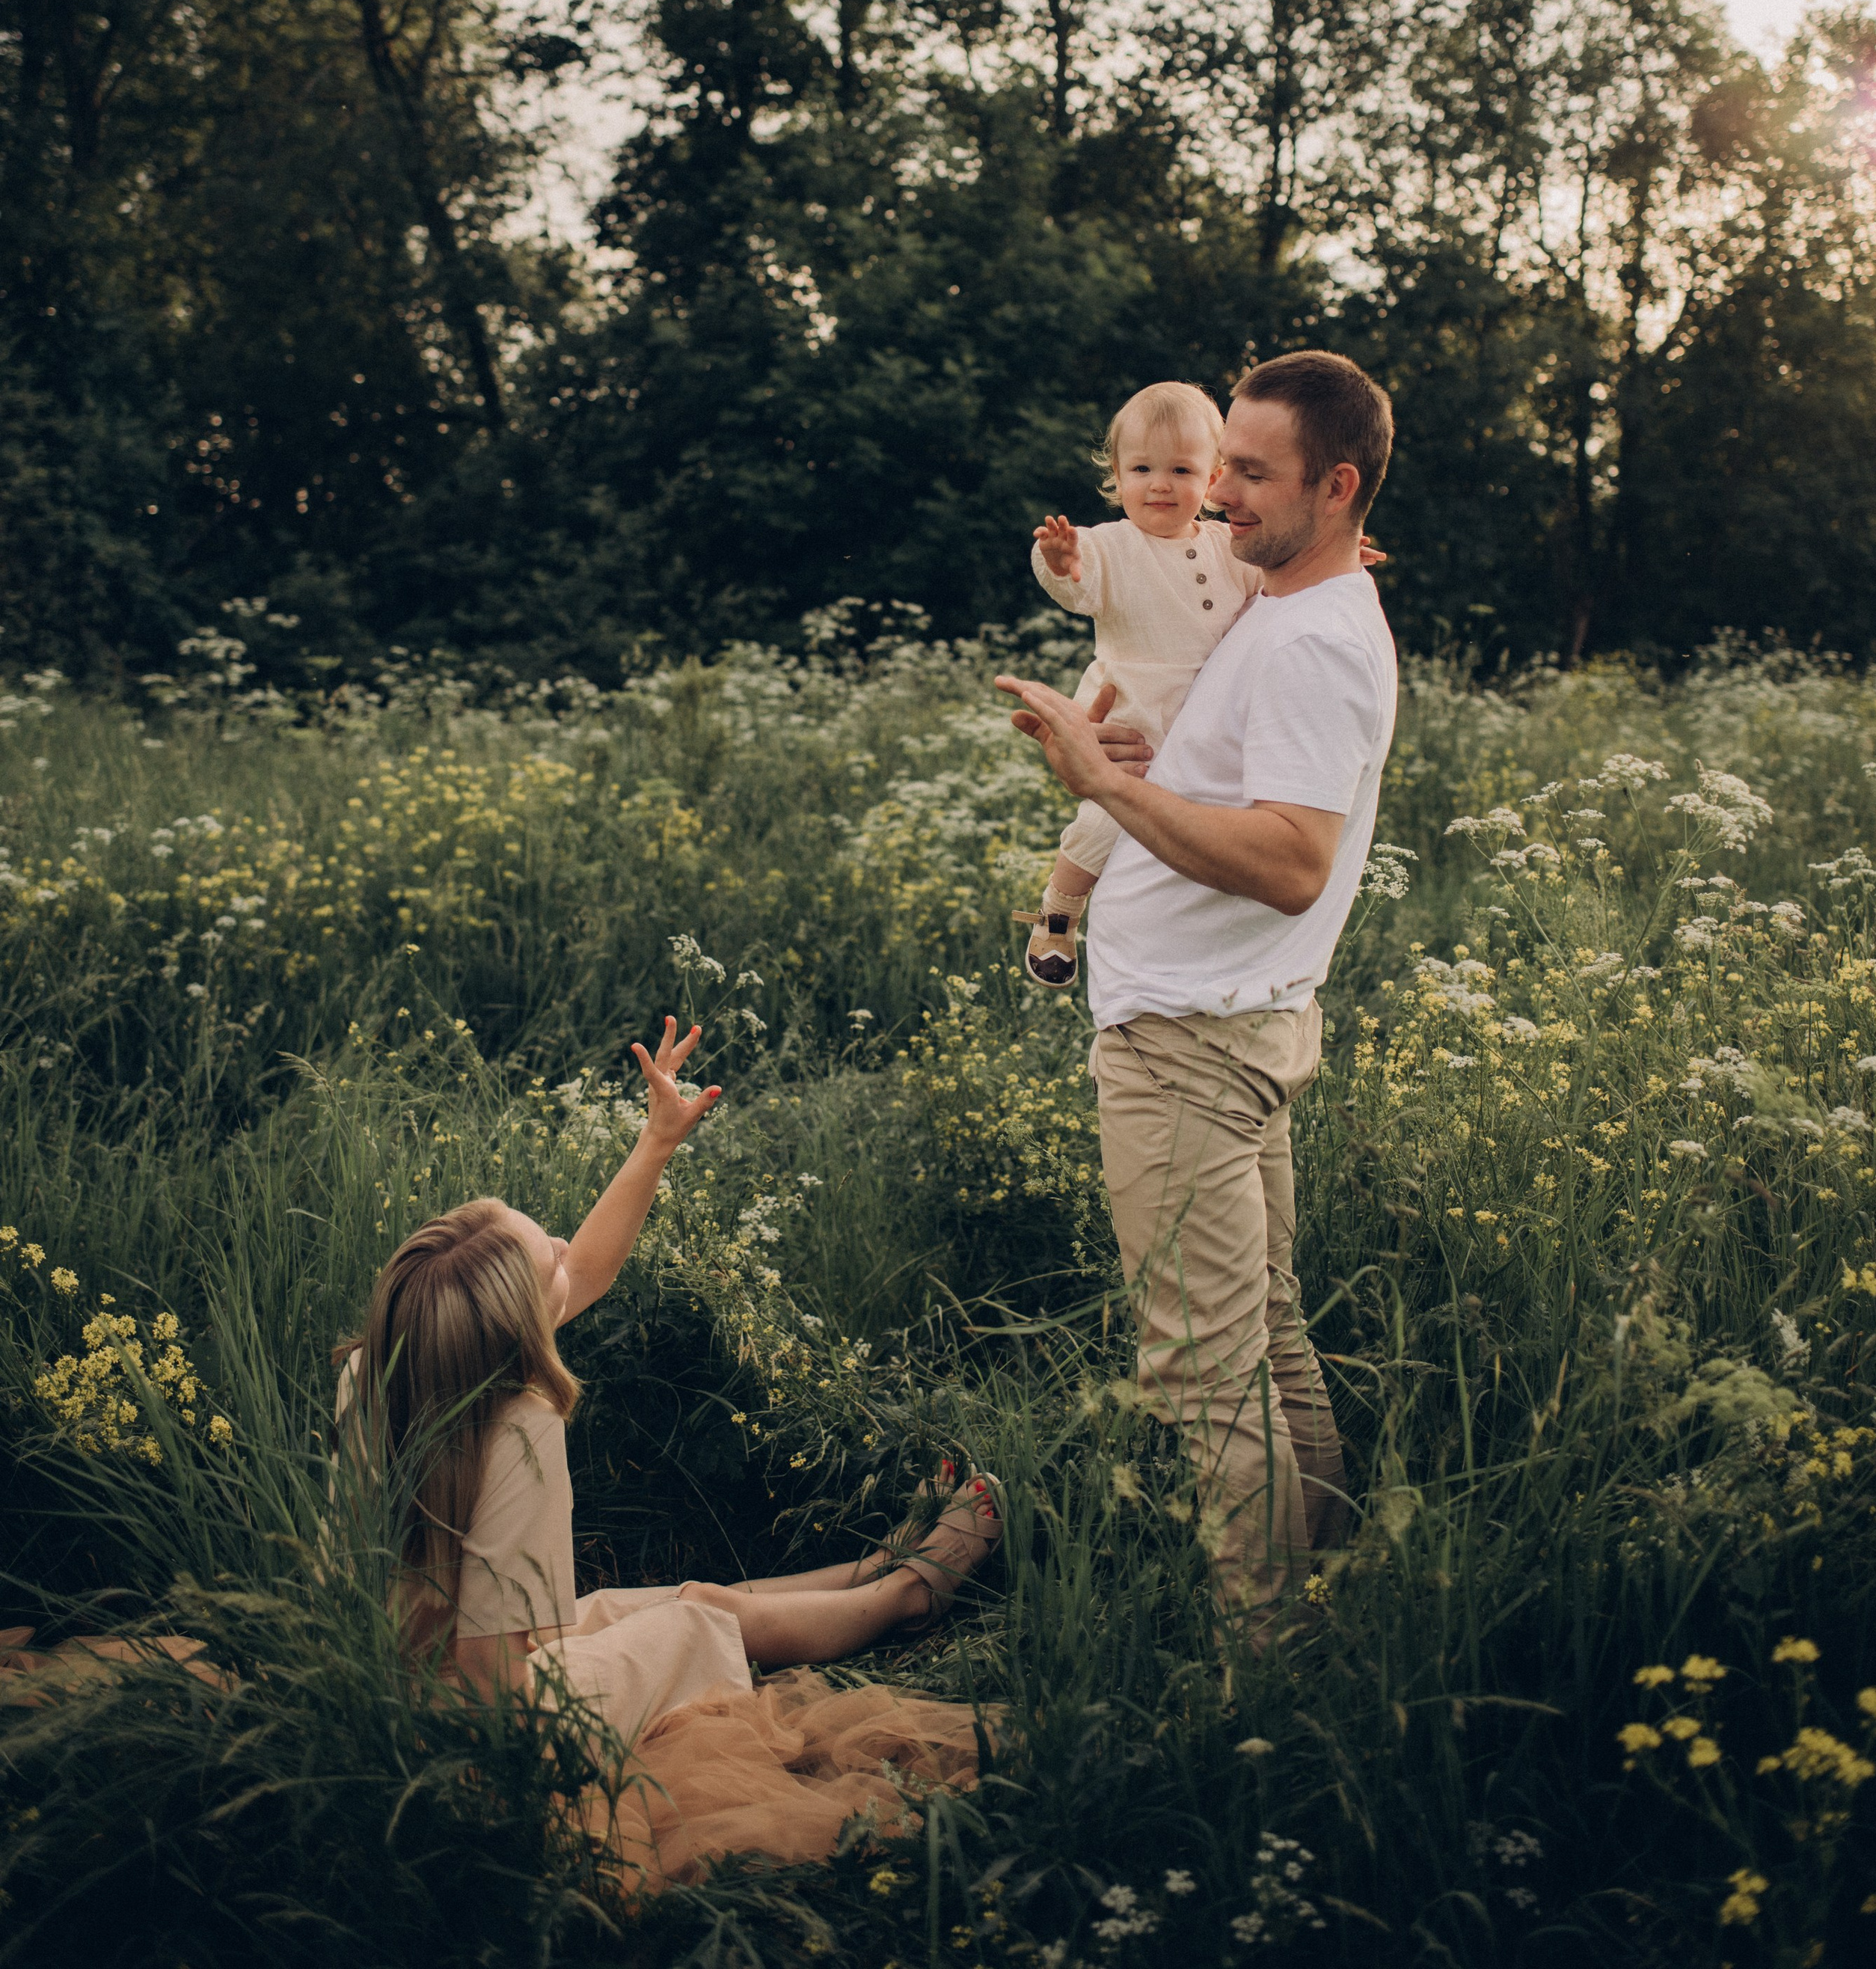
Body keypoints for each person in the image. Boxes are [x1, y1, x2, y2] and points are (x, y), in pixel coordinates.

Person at [332, 1016, 999, 1884]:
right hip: (492, 1744)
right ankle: (907, 1596)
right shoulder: (520, 1428)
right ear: (514, 1330)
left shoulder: (392, 1367)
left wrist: (655, 1141)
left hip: (398, 1684)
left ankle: (869, 1566)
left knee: (630, 1607)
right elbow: (506, 1675)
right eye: (548, 1257)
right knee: (693, 1617)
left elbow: (590, 1267)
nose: (565, 1246)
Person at [996, 351, 1397, 1642]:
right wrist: (1148, 757)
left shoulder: (1310, 642)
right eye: (1217, 462)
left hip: (1192, 1041)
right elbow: (1242, 791)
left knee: (1200, 1375)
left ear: (1337, 489)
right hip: (1235, 1023)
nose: (1216, 493)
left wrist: (1101, 788)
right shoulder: (1275, 611)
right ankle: (1326, 1592)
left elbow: (1290, 862)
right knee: (1266, 1342)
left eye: (1252, 474)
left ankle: (1271, 1669)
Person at [1018, 381, 1263, 988]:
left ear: (1213, 480)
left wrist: (1336, 554)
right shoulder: (1110, 544)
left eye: (1181, 468)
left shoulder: (1228, 545)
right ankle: (1058, 915)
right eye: (1142, 468)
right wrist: (1060, 560)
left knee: (1205, 832)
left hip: (1207, 716)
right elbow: (1080, 584)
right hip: (1131, 711)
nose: (1160, 483)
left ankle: (1203, 945)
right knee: (1108, 818)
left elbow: (1282, 576)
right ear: (1117, 476)